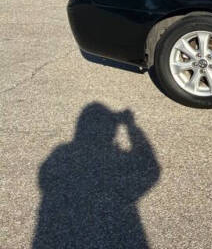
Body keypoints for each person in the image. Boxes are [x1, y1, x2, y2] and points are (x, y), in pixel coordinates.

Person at [33, 103, 160, 249]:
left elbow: (46, 179)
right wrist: (131, 126)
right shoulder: (63, 152)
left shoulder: (62, 152)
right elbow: (151, 170)